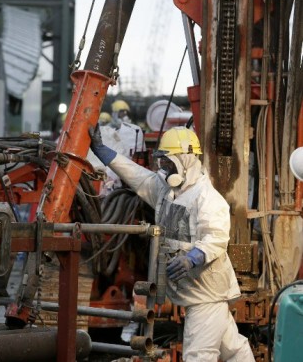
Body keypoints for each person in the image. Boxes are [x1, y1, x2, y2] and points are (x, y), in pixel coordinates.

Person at [89, 125, 255, 362]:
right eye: (162, 163)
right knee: (233, 349)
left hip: (206, 294)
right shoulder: (166, 190)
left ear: (185, 160)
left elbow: (216, 237)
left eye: (168, 162)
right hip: (193, 291)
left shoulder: (206, 197)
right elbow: (137, 176)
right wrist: (103, 152)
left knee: (198, 356)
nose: (164, 168)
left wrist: (193, 258)